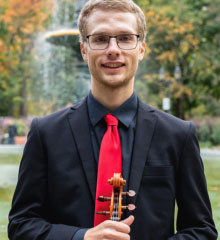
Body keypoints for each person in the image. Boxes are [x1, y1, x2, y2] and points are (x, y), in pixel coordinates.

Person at [8, 0, 218, 239]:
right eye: (100, 39)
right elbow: (21, 225)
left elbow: (202, 231)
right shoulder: (45, 133)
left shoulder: (178, 134)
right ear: (83, 49)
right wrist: (81, 237)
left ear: (141, 49)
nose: (113, 49)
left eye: (125, 38)